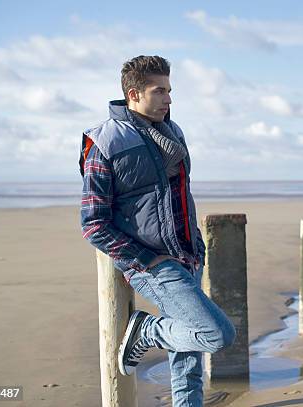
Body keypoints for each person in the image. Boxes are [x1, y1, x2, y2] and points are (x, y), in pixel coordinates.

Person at [79, 55, 236, 406]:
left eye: (170, 90)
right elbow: (93, 223)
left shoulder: (172, 132)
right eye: (159, 91)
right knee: (216, 335)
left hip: (188, 254)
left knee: (188, 363)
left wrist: (195, 246)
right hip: (152, 263)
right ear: (134, 94)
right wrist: (146, 260)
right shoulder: (104, 143)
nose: (169, 99)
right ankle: (146, 330)